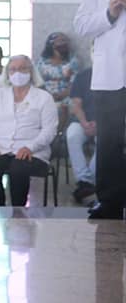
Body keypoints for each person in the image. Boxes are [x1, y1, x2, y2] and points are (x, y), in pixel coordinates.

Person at [74, 0, 126, 220]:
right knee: (109, 141)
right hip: (109, 75)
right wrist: (109, 13)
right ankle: (109, 202)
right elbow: (81, 25)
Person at [0, 55, 58, 207]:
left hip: (33, 152)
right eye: (13, 69)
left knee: (18, 169)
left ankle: (18, 211)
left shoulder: (44, 98)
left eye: (22, 69)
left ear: (31, 72)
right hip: (0, 148)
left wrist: (30, 147)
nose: (17, 73)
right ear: (7, 73)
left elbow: (49, 130)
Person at [67, 66, 97, 203]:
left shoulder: (118, 77)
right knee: (72, 134)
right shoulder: (83, 76)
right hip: (82, 120)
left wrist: (100, 123)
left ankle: (87, 182)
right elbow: (76, 104)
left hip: (107, 121)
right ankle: (84, 179)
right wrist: (84, 123)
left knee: (106, 139)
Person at [36, 32, 79, 123]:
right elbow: (38, 81)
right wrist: (49, 96)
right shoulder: (42, 62)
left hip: (66, 95)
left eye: (65, 41)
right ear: (51, 44)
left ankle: (61, 131)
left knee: (67, 107)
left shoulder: (72, 61)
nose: (64, 43)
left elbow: (74, 83)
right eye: (60, 41)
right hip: (45, 94)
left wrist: (61, 95)